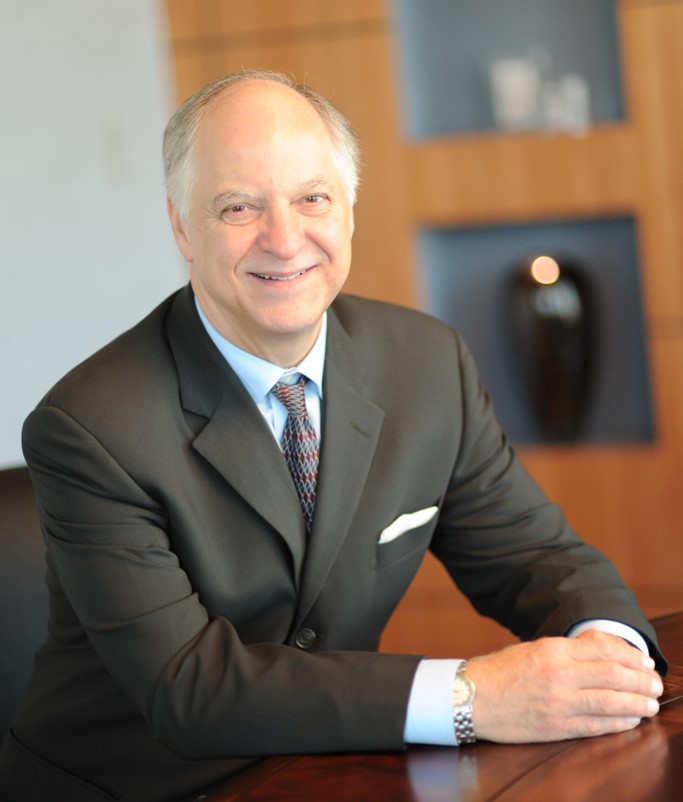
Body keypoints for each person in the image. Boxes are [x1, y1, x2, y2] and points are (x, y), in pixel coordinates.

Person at [0, 69, 666, 802]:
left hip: (335, 769)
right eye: (238, 207)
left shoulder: (424, 362)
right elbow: (187, 689)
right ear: (181, 227)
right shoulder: (91, 426)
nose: (284, 239)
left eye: (311, 198)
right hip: (146, 786)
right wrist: (470, 695)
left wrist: (605, 651)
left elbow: (530, 552)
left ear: (348, 210)